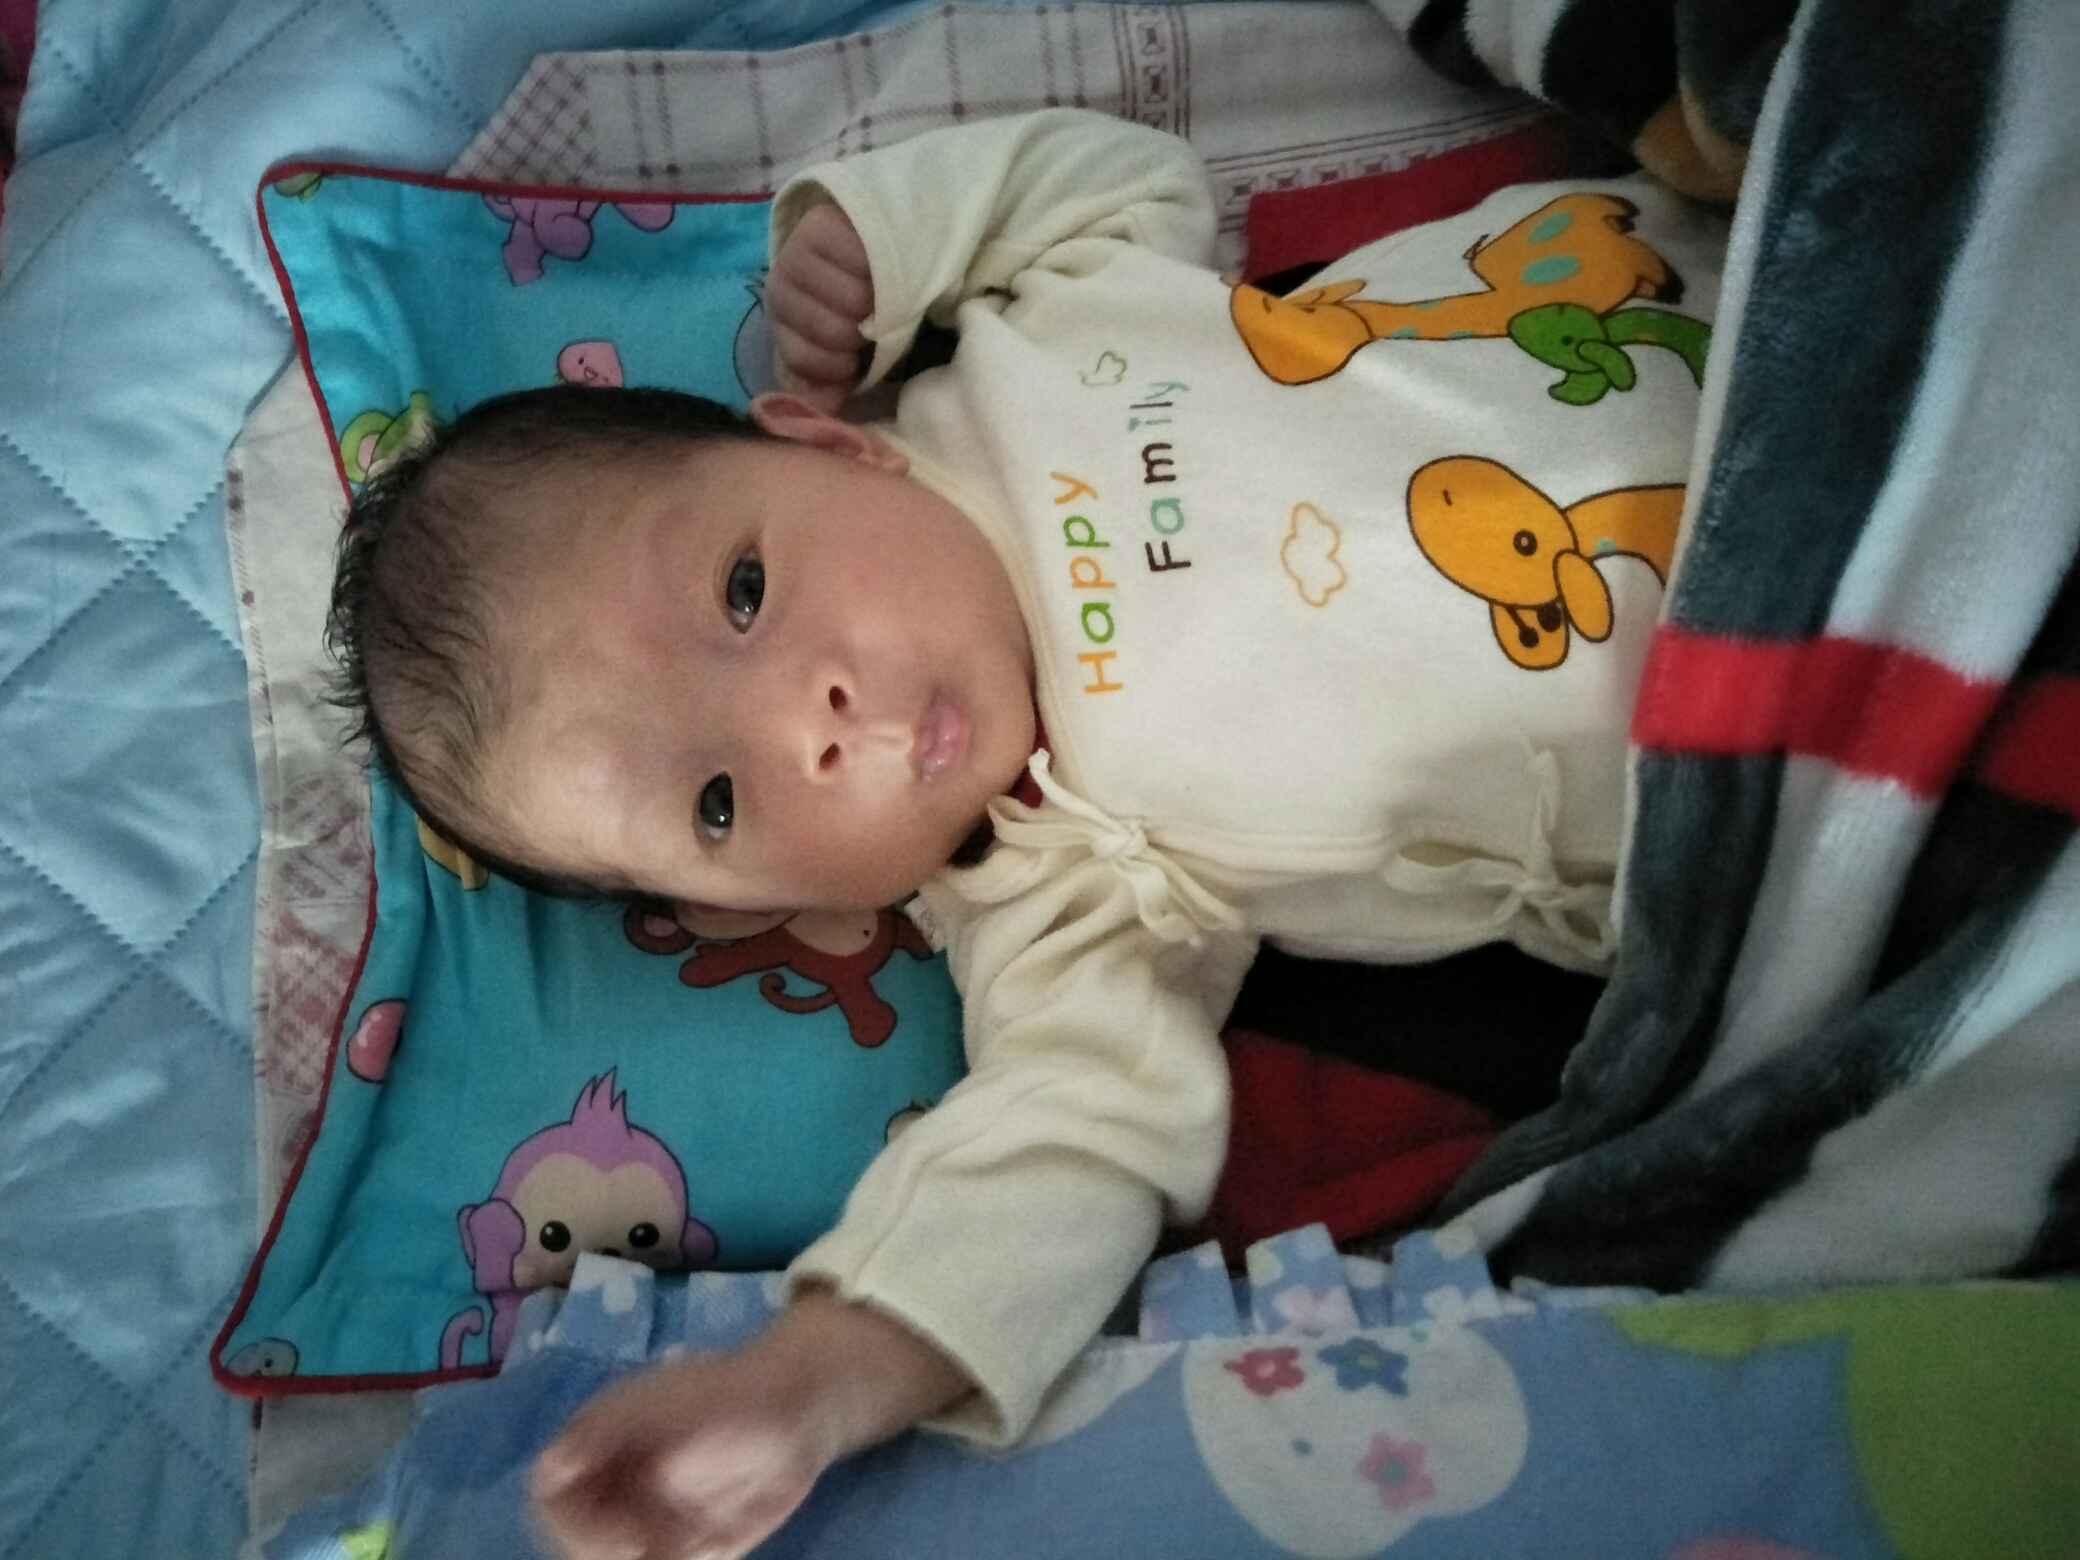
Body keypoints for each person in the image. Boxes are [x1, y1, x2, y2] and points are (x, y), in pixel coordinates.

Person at [330, 107, 1727, 1559]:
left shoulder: (1032, 340)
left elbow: (1124, 177)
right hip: (1761, 711)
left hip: (1720, 282)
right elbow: (1073, 1139)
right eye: (719, 802)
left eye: (745, 591)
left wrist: (872, 238)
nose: (809, 719)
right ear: (749, 908)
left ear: (826, 441)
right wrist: (818, 1382)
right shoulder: (1059, 880)